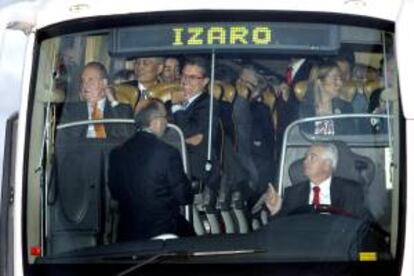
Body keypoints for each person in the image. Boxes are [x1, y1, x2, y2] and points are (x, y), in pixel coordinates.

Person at [108, 99, 194, 241]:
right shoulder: (168, 153)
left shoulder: (116, 154)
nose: (167, 122)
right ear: (156, 121)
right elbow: (184, 197)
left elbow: (115, 193)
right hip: (164, 232)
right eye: (165, 117)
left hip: (127, 234)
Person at [262, 143, 370, 220]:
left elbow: (364, 226)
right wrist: (276, 210)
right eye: (305, 157)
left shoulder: (350, 191)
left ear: (327, 165)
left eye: (312, 158)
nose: (305, 161)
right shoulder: (292, 193)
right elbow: (281, 230)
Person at [171, 56, 221, 191]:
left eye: (192, 77)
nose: (185, 81)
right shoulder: (168, 101)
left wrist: (176, 106)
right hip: (172, 159)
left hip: (195, 164)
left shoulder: (208, 104)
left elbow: (186, 132)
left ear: (205, 81)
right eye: (184, 75)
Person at [58, 61, 134, 140]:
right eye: (83, 81)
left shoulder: (123, 109)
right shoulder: (71, 110)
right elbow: (66, 142)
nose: (85, 85)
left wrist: (112, 100)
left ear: (103, 83)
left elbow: (127, 137)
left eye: (90, 80)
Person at [299, 60, 353, 135]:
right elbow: (302, 138)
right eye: (335, 79)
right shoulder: (304, 109)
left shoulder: (346, 108)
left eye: (340, 78)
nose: (340, 83)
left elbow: (351, 138)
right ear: (319, 82)